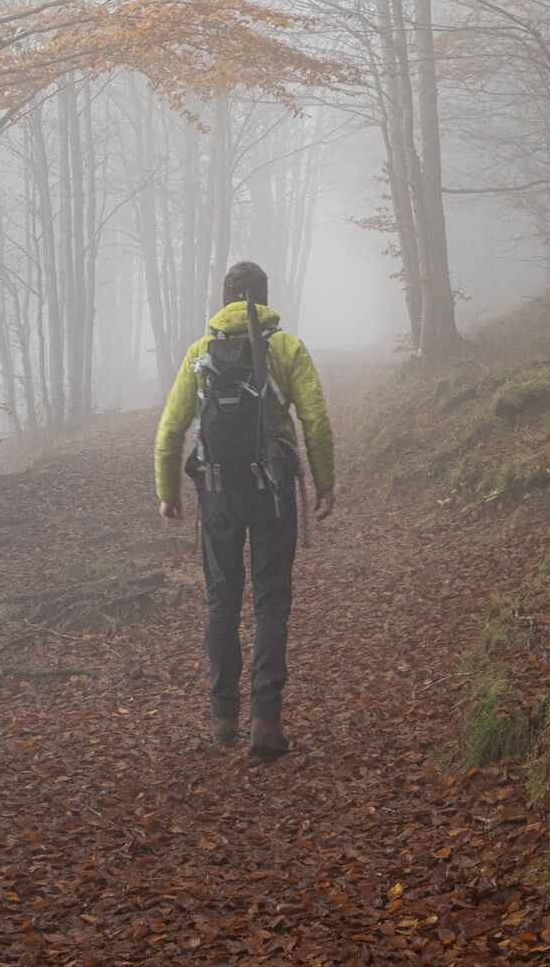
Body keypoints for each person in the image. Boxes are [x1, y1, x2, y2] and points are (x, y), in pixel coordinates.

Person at [155, 261, 336, 760]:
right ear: (266, 296)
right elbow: (316, 420)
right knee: (271, 600)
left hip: (217, 492)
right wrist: (325, 482)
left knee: (222, 600)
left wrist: (169, 491)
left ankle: (221, 718)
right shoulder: (287, 348)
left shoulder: (200, 353)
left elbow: (170, 432)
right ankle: (265, 719)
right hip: (274, 490)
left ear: (227, 298)